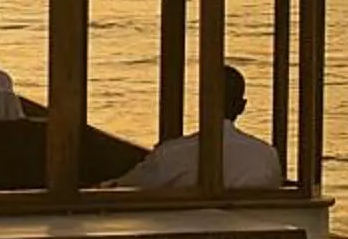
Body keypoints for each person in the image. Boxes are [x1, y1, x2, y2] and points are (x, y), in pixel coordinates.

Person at [118, 64, 283, 191]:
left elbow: (126, 189)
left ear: (202, 103)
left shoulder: (171, 154)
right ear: (241, 107)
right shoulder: (266, 156)